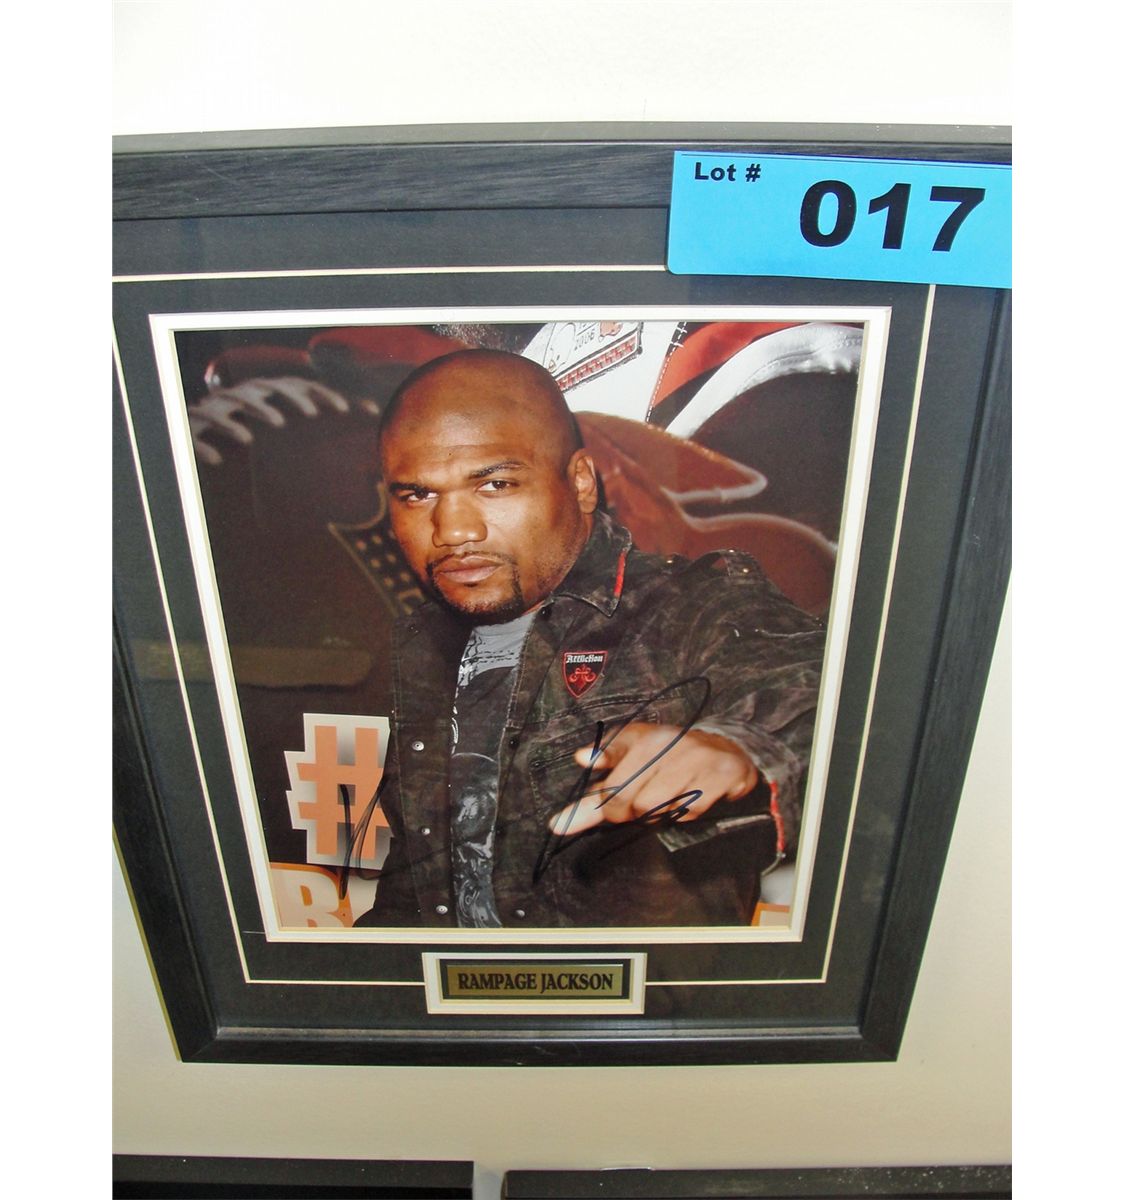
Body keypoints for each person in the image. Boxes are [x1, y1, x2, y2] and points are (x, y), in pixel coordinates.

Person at [355, 348, 826, 928]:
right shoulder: (424, 639)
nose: (453, 531)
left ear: (579, 482)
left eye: (495, 484)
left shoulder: (689, 605)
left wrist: (740, 749)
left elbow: (822, 690)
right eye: (418, 495)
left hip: (625, 987)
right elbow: (422, 875)